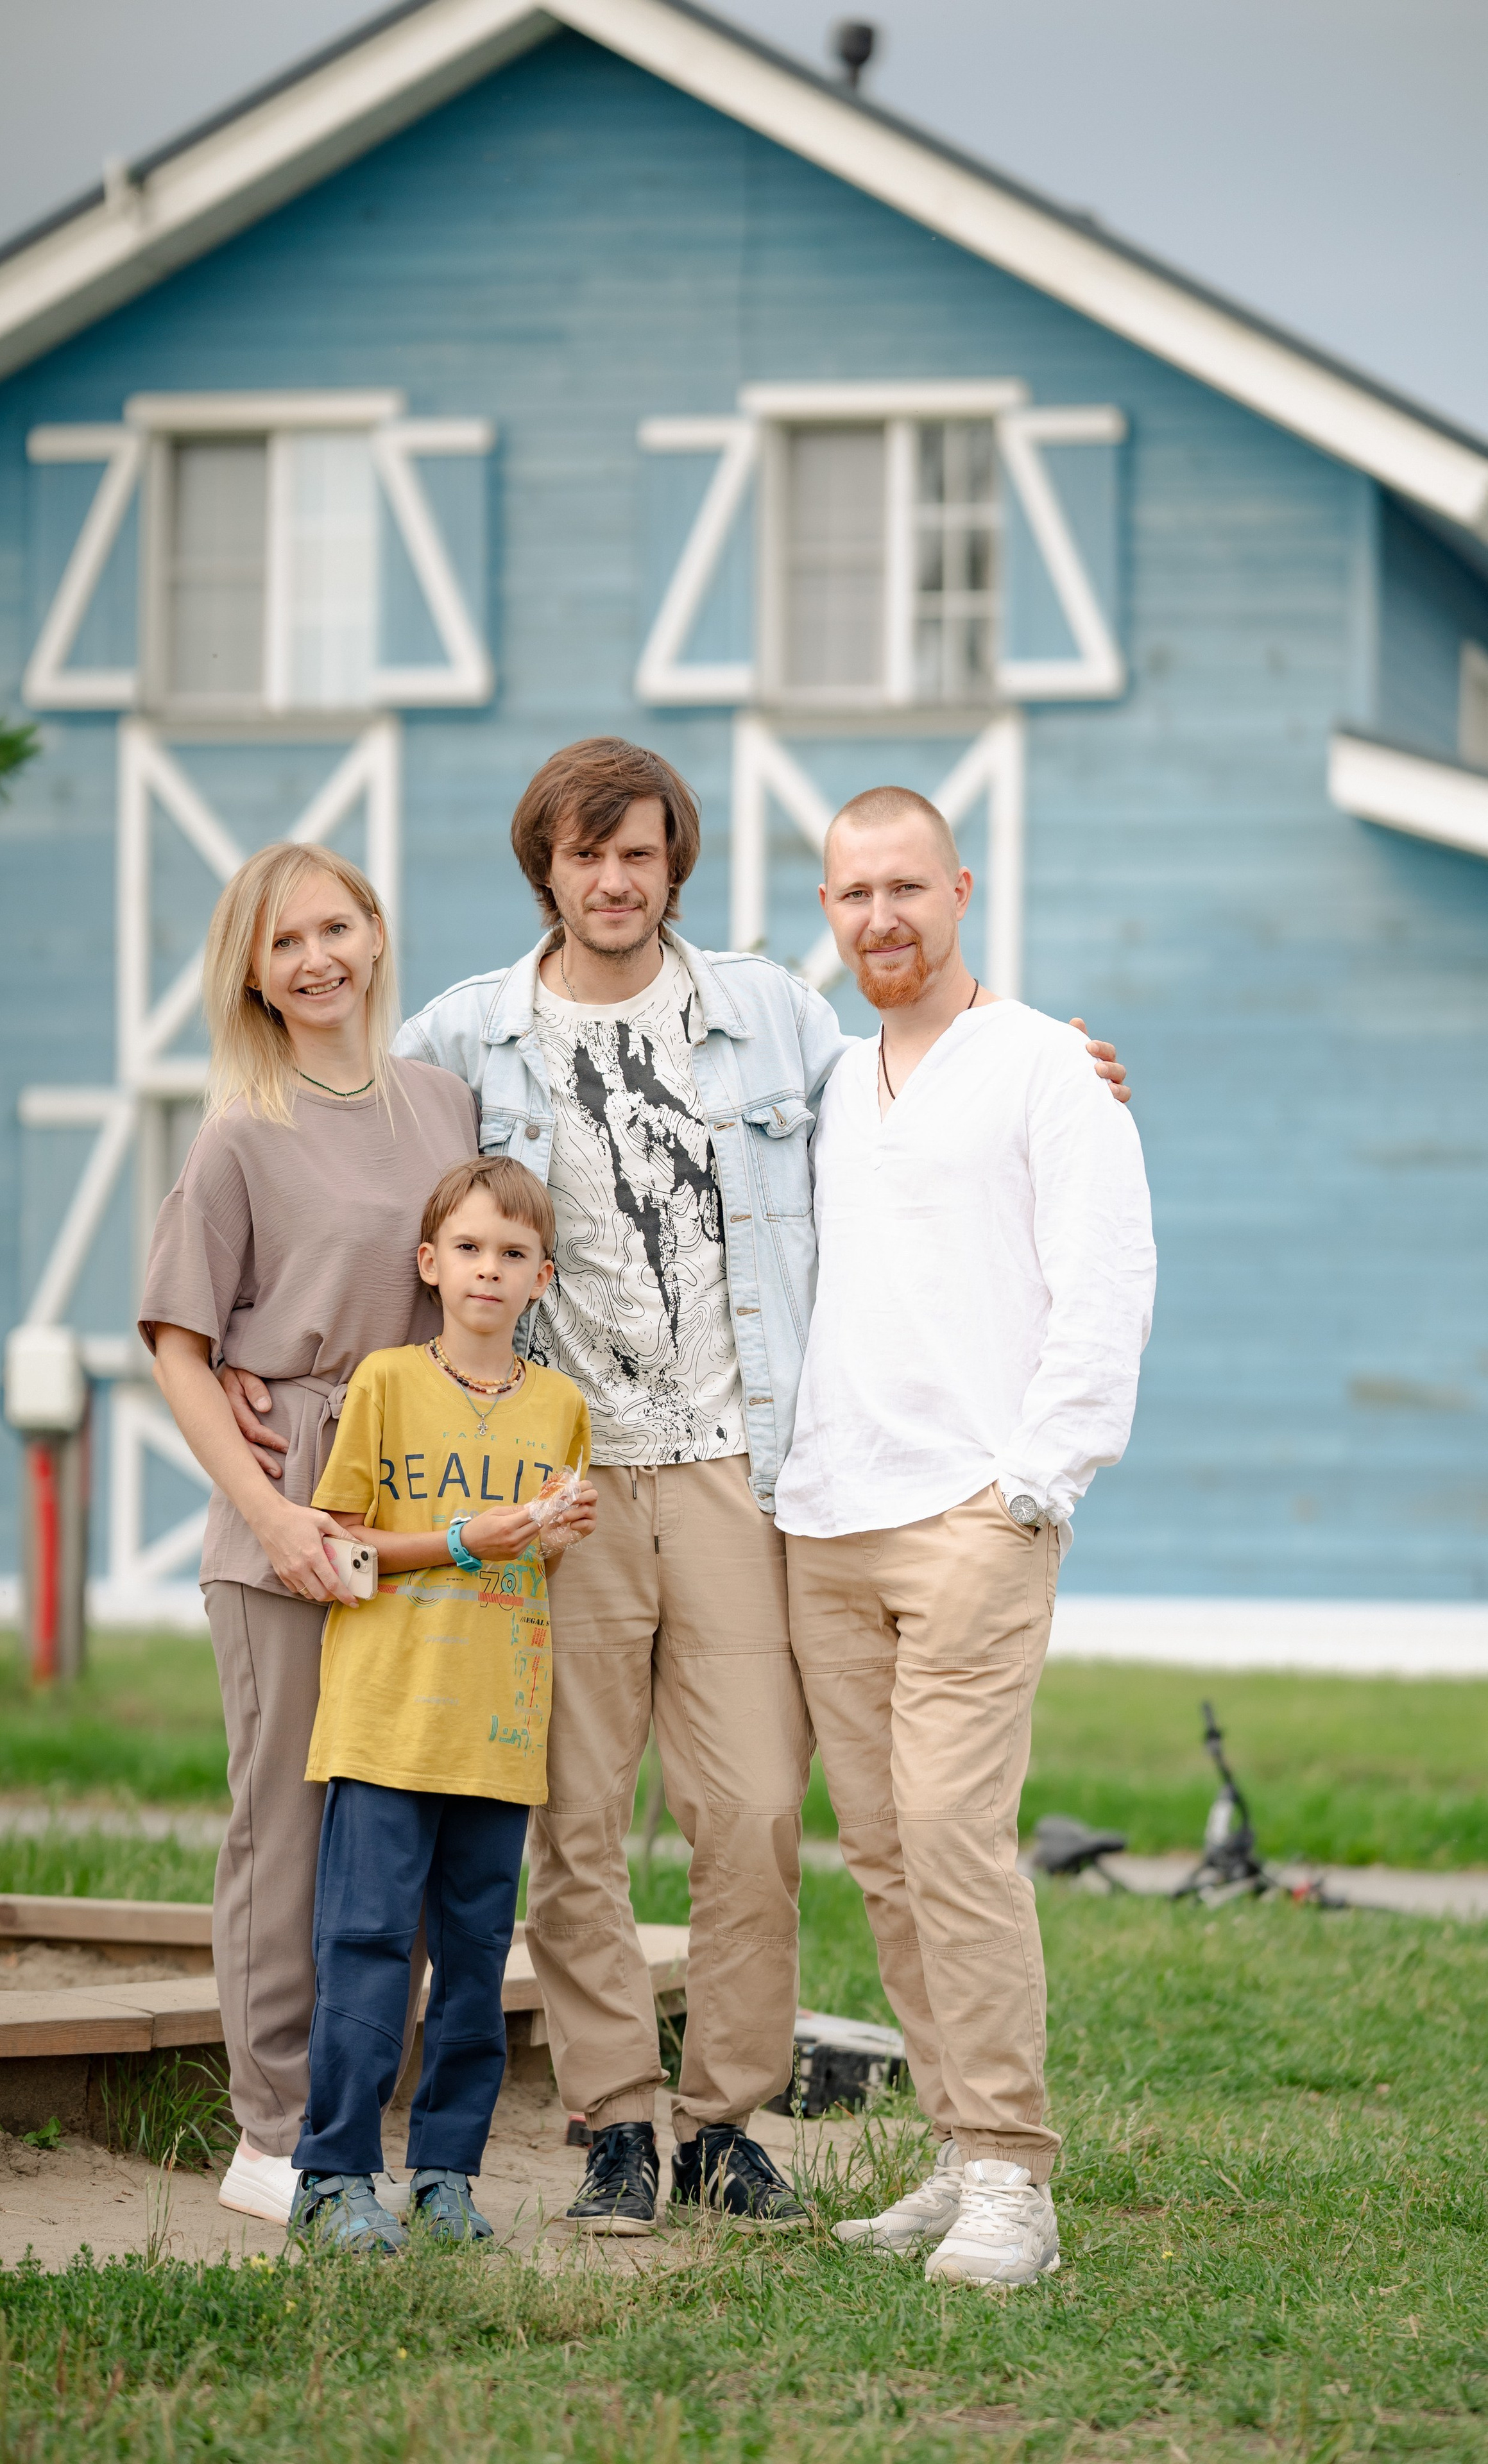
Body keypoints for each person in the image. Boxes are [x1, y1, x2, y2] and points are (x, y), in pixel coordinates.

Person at [377, 737, 1133, 2234]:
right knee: (577, 1819)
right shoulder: (464, 1039)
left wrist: (1062, 1063)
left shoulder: (774, 1018)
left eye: (640, 853)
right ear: (547, 866)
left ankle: (723, 2116)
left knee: (751, 1817)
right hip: (565, 1484)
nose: (612, 880)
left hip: (741, 1474)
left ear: (676, 866)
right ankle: (612, 2122)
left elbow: (923, 1072)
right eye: (584, 855)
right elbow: (372, 1173)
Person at [776, 786, 1156, 2289]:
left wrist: (1037, 1481)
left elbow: (1103, 1281)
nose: (880, 917)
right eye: (852, 893)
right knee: (879, 1850)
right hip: (825, 1515)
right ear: (827, 910)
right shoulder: (824, 1078)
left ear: (960, 890)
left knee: (951, 1832)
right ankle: (954, 2148)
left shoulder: (1046, 1065)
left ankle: (1013, 2178)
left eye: (905, 889)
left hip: (972, 1515)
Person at [141, 843, 477, 2227]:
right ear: (254, 973)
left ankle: (360, 2118)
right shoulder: (238, 1130)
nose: (316, 958)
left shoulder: (445, 1100)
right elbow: (176, 1343)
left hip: (414, 1518)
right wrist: (274, 1516)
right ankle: (269, 2134)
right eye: (284, 943)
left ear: (375, 932)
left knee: (390, 1831)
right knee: (283, 1829)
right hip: (284, 1515)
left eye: (334, 927)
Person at [287, 1156, 595, 2254]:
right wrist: (466, 1538)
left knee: (475, 1964)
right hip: (384, 1721)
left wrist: (550, 1540)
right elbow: (337, 1550)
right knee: (366, 1945)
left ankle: (446, 2178)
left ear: (542, 1280)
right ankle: (332, 2176)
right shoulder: (382, 1383)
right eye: (468, 1248)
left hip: (497, 1733)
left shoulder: (562, 1409)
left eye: (514, 1255)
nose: (488, 1270)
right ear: (430, 1263)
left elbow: (532, 1566)